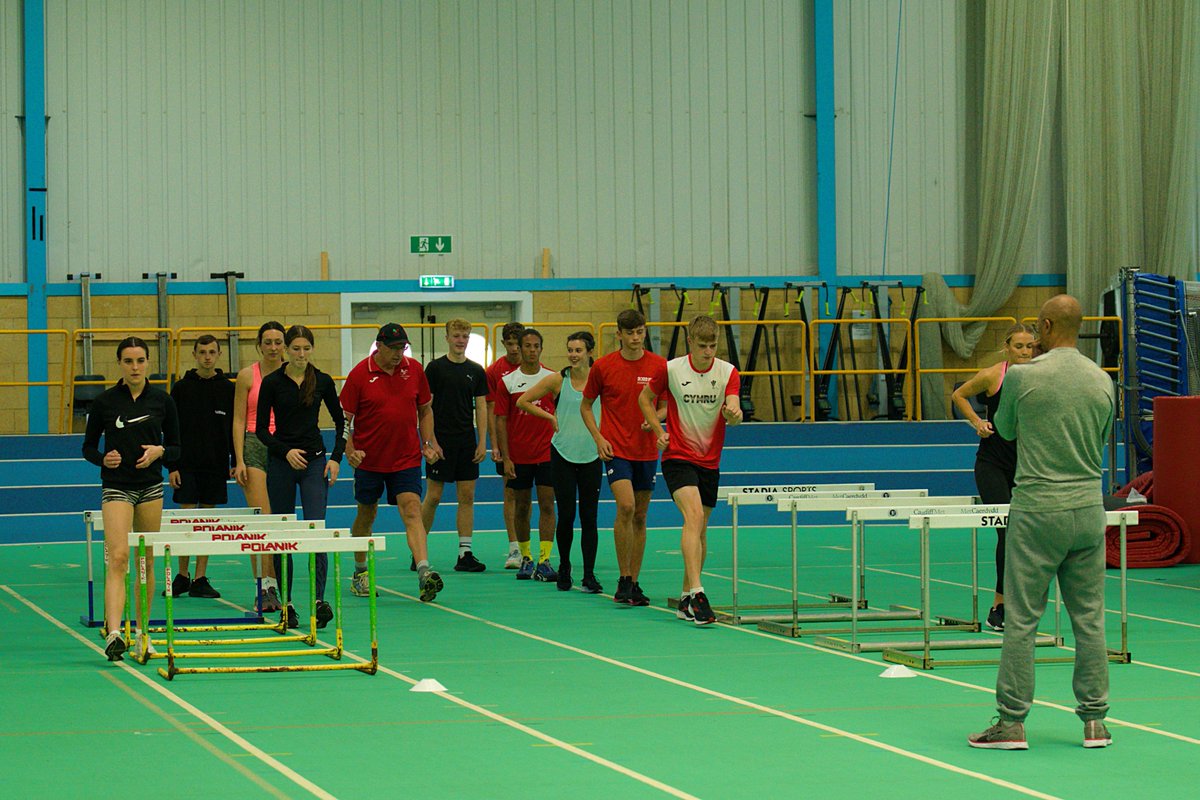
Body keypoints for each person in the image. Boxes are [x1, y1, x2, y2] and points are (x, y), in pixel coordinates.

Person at [968, 294, 1116, 751]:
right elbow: (1104, 438)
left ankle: (1011, 722)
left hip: (1037, 510)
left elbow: (1006, 430)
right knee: (1089, 618)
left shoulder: (1024, 378)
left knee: (1023, 620)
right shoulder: (1102, 380)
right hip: (1088, 510)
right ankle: (1095, 722)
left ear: (1048, 326)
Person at [82, 337, 181, 661]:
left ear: (148, 363)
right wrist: (103, 459)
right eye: (128, 361)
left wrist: (160, 451)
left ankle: (142, 633)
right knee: (119, 556)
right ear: (120, 364)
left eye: (140, 361)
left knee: (146, 561)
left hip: (151, 488)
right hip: (117, 487)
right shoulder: (106, 403)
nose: (135, 367)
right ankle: (113, 634)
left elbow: (178, 448)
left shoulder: (162, 401)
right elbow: (88, 447)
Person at [640, 315, 741, 625]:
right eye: (702, 346)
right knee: (693, 517)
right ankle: (698, 594)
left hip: (710, 460)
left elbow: (734, 409)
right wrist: (658, 431)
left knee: (701, 530)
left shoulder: (727, 372)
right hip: (678, 456)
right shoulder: (671, 370)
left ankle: (685, 599)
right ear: (690, 343)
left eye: (713, 345)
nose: (708, 352)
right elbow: (645, 398)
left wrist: (733, 414)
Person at [341, 323, 445, 602]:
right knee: (367, 514)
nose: (400, 353)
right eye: (394, 348)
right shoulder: (360, 374)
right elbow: (345, 419)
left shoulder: (414, 371)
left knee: (412, 509)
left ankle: (424, 572)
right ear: (380, 346)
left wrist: (428, 442)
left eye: (403, 347)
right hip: (370, 460)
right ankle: (360, 572)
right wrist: (349, 449)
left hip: (405, 457)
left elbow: (424, 409)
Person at [256, 324, 345, 629]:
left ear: (312, 349)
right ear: (286, 350)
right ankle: (288, 604)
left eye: (306, 348)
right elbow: (260, 431)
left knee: (316, 530)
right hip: (282, 464)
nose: (301, 354)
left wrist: (335, 458)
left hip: (314, 463)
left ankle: (319, 601)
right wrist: (285, 452)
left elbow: (341, 421)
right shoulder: (272, 382)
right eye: (295, 348)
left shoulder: (321, 380)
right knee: (283, 535)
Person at [951, 323, 1037, 632]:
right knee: (1008, 532)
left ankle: (1018, 604)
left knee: (1026, 537)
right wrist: (976, 421)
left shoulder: (1040, 377)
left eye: (1030, 346)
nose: (1025, 352)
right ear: (1007, 347)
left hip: (1026, 467)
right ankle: (999, 606)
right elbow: (959, 394)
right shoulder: (993, 375)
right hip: (992, 466)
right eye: (1019, 346)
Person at [581, 309, 666, 606]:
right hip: (616, 449)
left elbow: (667, 405)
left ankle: (634, 582)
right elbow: (585, 406)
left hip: (646, 450)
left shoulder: (658, 366)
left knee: (641, 516)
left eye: (639, 332)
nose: (635, 337)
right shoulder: (604, 367)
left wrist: (654, 420)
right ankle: (622, 576)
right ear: (618, 334)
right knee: (626, 506)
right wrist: (598, 437)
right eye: (629, 333)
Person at [517, 330, 604, 593]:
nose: (573, 355)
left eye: (578, 350)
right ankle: (564, 567)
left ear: (590, 352)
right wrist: (549, 417)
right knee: (566, 515)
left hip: (591, 455)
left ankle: (589, 574)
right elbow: (523, 400)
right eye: (570, 350)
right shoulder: (558, 380)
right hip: (563, 455)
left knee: (590, 517)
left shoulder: (600, 380)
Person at [164, 334, 236, 600]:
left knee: (207, 522)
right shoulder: (182, 388)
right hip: (186, 466)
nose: (207, 356)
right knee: (186, 521)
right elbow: (170, 429)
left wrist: (235, 461)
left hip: (215, 466)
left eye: (212, 352)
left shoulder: (228, 389)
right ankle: (181, 576)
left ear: (218, 355)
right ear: (194, 355)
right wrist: (172, 465)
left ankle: (200, 577)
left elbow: (233, 429)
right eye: (202, 352)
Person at [420, 319, 489, 573]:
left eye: (465, 336)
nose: (460, 340)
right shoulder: (435, 368)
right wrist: (431, 442)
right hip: (441, 441)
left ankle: (465, 552)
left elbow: (481, 406)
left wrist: (482, 441)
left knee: (467, 496)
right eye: (456, 335)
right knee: (434, 496)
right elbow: (426, 407)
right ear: (447, 337)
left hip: (466, 441)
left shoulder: (476, 370)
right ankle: (419, 550)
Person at [493, 328, 558, 581]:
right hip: (519, 456)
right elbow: (501, 420)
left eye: (536, 346)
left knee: (547, 505)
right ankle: (526, 558)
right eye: (527, 346)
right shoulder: (508, 382)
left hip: (547, 454)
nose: (532, 350)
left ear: (541, 348)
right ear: (519, 349)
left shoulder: (553, 379)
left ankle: (544, 559)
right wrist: (506, 457)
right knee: (521, 507)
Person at [232, 321, 285, 613]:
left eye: (278, 342)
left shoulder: (294, 374)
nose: (273, 347)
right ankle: (263, 586)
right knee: (261, 518)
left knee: (278, 519)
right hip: (254, 443)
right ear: (259, 345)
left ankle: (274, 583)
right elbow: (238, 420)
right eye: (268, 342)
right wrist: (238, 459)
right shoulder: (246, 376)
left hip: (284, 446)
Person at [485, 321, 526, 568]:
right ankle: (513, 549)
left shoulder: (535, 369)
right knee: (510, 493)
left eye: (516, 344)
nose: (513, 349)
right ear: (503, 344)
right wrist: (495, 444)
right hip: (508, 442)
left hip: (533, 442)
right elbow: (491, 410)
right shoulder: (494, 372)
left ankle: (530, 547)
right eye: (509, 344)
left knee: (535, 495)